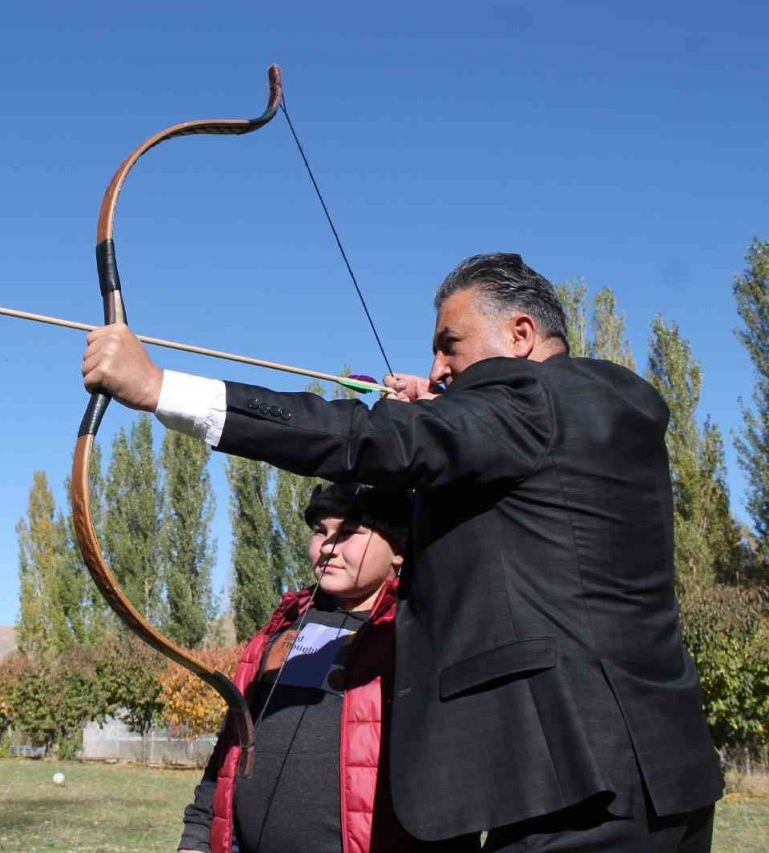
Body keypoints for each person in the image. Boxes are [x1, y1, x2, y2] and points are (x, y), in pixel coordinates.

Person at [84, 252, 723, 850]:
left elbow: (365, 437)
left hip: (584, 785)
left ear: (521, 335)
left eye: (451, 346)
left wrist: (159, 388)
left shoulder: (539, 399)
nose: (440, 369)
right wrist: (450, 423)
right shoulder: (587, 414)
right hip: (639, 776)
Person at [180, 483, 425, 853]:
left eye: (349, 533)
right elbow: (233, 745)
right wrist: (197, 836)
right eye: (320, 532)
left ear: (399, 551)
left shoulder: (412, 635)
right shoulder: (279, 629)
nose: (328, 547)